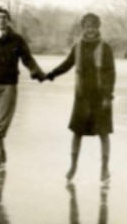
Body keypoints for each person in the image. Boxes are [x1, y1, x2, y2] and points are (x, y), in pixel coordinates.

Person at [0, 7, 46, 173]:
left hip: (8, 87)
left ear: (9, 20)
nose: (1, 20)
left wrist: (36, 71)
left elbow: (28, 59)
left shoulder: (17, 40)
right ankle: (2, 153)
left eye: (4, 17)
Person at [46, 13, 116, 182]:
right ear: (83, 27)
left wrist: (108, 96)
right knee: (77, 132)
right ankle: (73, 166)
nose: (90, 29)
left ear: (98, 27)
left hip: (101, 96)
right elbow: (67, 64)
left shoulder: (105, 46)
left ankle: (104, 168)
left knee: (103, 133)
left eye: (93, 26)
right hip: (82, 96)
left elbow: (111, 73)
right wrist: (51, 74)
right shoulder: (77, 46)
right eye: (87, 26)